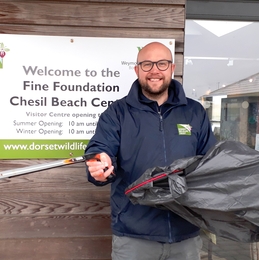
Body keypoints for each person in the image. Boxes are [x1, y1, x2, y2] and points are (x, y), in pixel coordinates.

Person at [85, 42, 217, 260]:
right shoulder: (117, 113)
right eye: (147, 64)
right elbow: (100, 149)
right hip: (134, 236)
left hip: (186, 234)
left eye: (162, 63)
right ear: (137, 70)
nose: (154, 70)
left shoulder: (195, 112)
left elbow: (210, 162)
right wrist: (99, 166)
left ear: (172, 68)